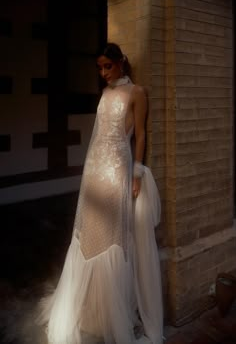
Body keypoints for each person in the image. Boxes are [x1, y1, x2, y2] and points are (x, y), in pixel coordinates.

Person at [39, 43, 163, 344]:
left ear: (121, 62)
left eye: (108, 66)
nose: (103, 72)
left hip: (117, 170)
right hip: (94, 167)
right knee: (88, 232)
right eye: (100, 67)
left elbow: (141, 134)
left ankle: (112, 314)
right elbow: (98, 135)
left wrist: (136, 174)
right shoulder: (106, 93)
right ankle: (91, 311)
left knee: (111, 236)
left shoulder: (137, 93)